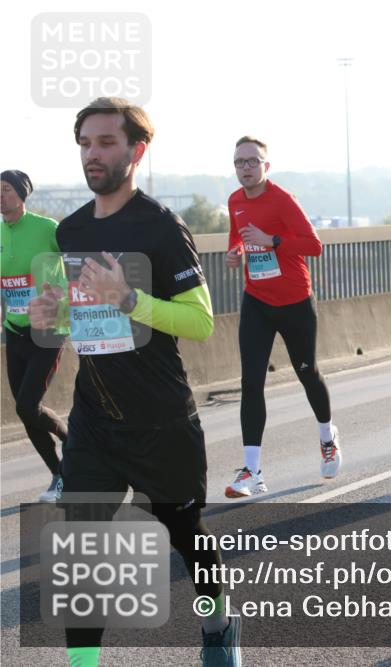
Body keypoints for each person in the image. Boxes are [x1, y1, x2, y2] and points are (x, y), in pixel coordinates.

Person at [27, 97, 239, 666]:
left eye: (105, 143)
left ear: (136, 150)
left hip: (161, 420)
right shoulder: (69, 231)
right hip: (94, 423)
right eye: (85, 144)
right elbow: (83, 315)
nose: (92, 154)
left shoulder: (161, 226)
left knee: (187, 537)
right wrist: (54, 319)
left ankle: (218, 626)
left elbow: (198, 321)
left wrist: (128, 296)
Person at [223, 136, 341, 499]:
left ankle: (327, 437)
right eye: (240, 162)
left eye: (253, 161)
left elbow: (314, 246)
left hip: (294, 302)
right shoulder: (235, 201)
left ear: (266, 166)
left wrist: (272, 240)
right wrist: (236, 253)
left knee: (307, 372)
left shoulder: (283, 200)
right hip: (257, 300)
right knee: (250, 382)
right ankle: (252, 471)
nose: (246, 167)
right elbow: (236, 238)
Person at [1, 169, 68, 502]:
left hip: (49, 330)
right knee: (25, 410)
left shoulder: (47, 228)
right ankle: (59, 474)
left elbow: (76, 262)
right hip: (14, 331)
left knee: (29, 403)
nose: (1, 195)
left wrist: (61, 293)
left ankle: (69, 440)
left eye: (6, 189)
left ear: (22, 195)